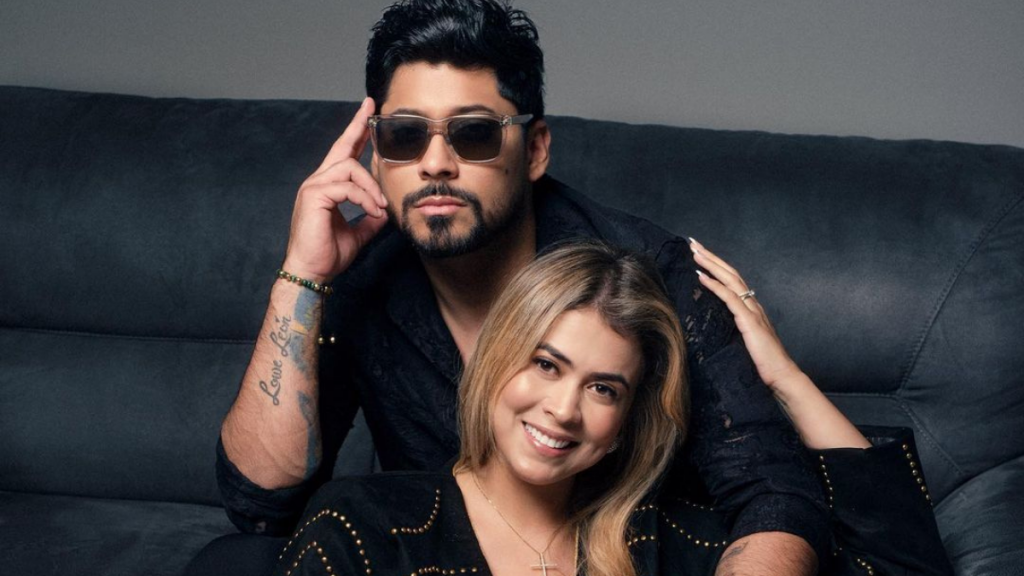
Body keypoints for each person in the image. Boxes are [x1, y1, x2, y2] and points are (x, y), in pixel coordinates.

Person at [212, 0, 827, 573]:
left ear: (534, 150)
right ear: (376, 155)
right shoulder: (364, 277)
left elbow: (774, 494)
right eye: (405, 135)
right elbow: (261, 507)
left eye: (474, 133)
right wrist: (302, 276)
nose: (435, 163)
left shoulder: (648, 275)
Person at [270, 241, 953, 576]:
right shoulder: (366, 525)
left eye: (604, 389)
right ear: (495, 361)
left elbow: (898, 566)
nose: (563, 409)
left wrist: (786, 379)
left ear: (627, 421)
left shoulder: (668, 542)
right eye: (545, 364)